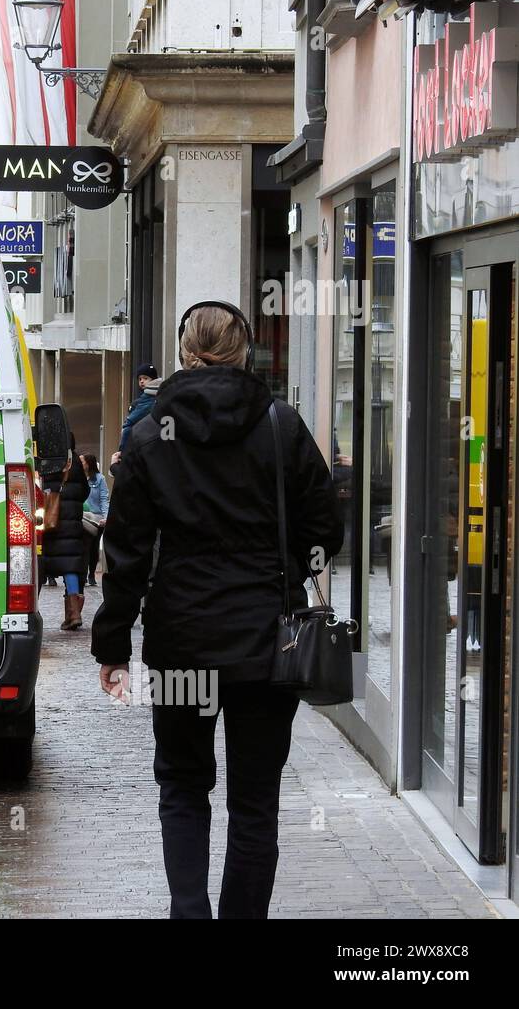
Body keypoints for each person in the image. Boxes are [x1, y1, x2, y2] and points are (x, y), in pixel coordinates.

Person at [91, 302, 342, 920]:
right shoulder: (281, 427)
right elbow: (325, 529)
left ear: (182, 354)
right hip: (265, 643)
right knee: (254, 800)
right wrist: (286, 562)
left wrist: (112, 645)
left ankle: (189, 912)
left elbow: (125, 553)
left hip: (182, 643)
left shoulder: (152, 436)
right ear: (245, 353)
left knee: (182, 784)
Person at [39, 435, 89, 631]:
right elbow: (84, 490)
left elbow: (44, 488)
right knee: (70, 566)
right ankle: (74, 613)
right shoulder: (75, 460)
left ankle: (30, 609)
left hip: (54, 520)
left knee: (41, 566)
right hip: (72, 521)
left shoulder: (50, 460)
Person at [112, 363, 162, 466]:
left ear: (153, 380)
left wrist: (122, 450)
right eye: (140, 379)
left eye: (145, 378)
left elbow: (130, 423)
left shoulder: (148, 398)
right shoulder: (158, 396)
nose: (142, 381)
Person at [82, 453, 110, 587]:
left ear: (89, 463)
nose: (81, 463)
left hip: (97, 519)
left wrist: (106, 517)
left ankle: (91, 574)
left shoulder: (99, 479)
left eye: (83, 461)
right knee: (84, 547)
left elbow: (104, 499)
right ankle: (83, 574)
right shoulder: (79, 478)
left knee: (93, 547)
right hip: (82, 517)